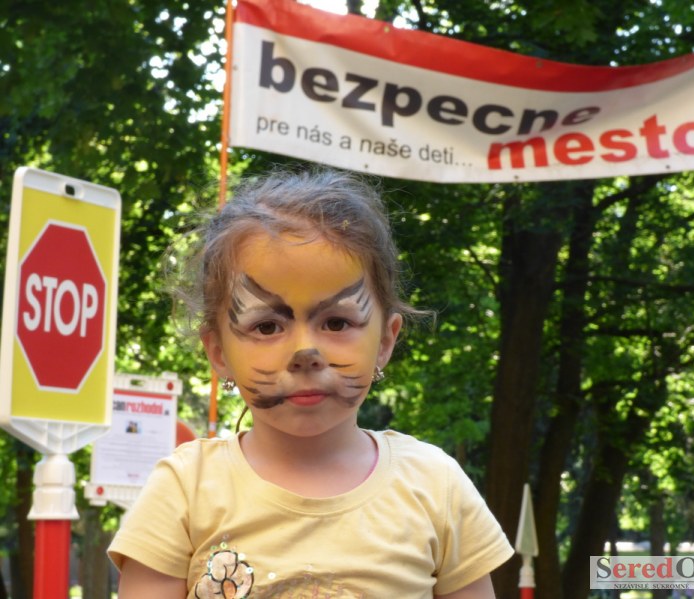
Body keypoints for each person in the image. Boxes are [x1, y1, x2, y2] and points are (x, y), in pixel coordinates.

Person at [108, 167, 513, 598]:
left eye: (336, 322)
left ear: (384, 341)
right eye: (267, 326)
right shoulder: (185, 489)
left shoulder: (435, 486)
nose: (305, 352)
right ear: (220, 353)